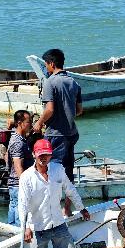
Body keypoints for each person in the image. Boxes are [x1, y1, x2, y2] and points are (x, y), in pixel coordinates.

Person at [18, 139, 90, 248]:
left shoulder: (58, 169)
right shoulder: (26, 177)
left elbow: (70, 189)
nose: (44, 157)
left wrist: (81, 208)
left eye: (47, 154)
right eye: (41, 154)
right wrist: (25, 227)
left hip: (57, 222)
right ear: (34, 155)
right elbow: (23, 204)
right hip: (37, 226)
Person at [34, 48, 82, 183]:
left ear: (52, 64)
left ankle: (51, 201)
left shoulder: (50, 82)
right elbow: (79, 110)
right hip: (71, 133)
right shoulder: (74, 83)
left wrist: (39, 123)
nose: (46, 67)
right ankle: (67, 205)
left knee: (51, 169)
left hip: (55, 134)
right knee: (68, 171)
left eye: (46, 65)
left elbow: (49, 110)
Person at [6, 110, 34, 225]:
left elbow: (6, 157)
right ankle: (20, 238)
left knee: (13, 210)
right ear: (19, 123)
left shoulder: (15, 138)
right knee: (20, 218)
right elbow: (18, 165)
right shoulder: (18, 142)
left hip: (13, 184)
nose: (31, 124)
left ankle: (11, 236)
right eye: (28, 122)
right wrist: (25, 186)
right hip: (18, 185)